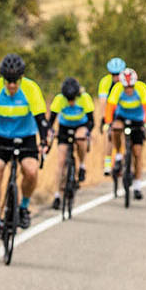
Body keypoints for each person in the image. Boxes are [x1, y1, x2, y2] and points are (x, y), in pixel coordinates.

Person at [0, 53, 50, 238]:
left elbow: (42, 121)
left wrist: (44, 142)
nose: (12, 85)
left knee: (31, 170)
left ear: (21, 78)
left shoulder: (31, 89)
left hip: (25, 136)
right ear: (3, 78)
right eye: (8, 81)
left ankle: (24, 207)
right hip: (0, 137)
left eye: (15, 81)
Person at [103, 66, 146, 199]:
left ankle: (137, 186)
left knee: (137, 153)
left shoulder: (141, 88)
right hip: (122, 117)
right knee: (116, 128)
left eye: (131, 86)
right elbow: (110, 108)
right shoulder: (117, 89)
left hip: (137, 120)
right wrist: (108, 123)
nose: (129, 90)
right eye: (126, 87)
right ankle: (119, 154)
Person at [48, 76, 94, 208]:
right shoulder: (59, 99)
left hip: (81, 125)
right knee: (60, 162)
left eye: (73, 99)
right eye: (68, 100)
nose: (71, 102)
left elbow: (92, 121)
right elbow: (51, 121)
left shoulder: (85, 98)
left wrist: (87, 132)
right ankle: (57, 195)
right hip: (64, 127)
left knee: (80, 139)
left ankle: (82, 165)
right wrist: (51, 132)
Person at [96, 56, 126, 172]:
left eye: (118, 74)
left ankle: (126, 158)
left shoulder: (127, 80)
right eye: (113, 74)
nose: (116, 77)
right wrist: (104, 119)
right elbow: (103, 103)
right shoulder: (105, 82)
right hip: (111, 110)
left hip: (125, 110)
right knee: (110, 134)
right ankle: (107, 163)